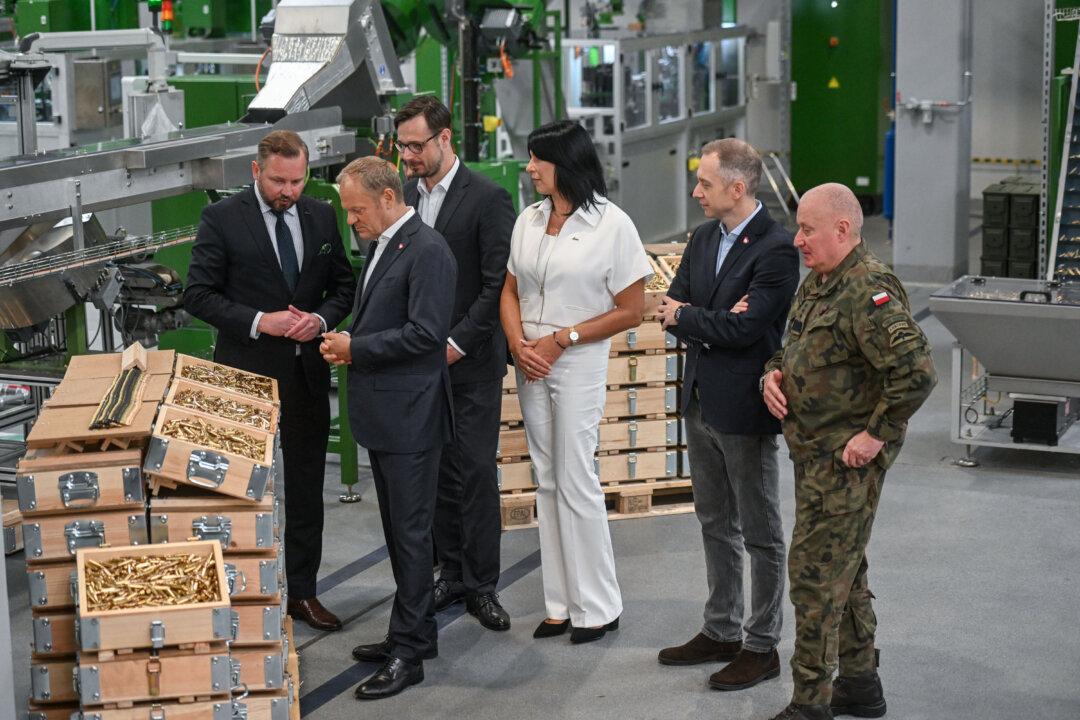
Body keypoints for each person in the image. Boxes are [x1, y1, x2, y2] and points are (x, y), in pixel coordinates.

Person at [760, 183, 936, 720]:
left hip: (845, 462)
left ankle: (810, 703)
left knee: (813, 577)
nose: (797, 240)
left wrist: (875, 434)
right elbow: (794, 347)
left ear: (842, 229)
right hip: (812, 455)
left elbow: (917, 373)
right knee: (846, 569)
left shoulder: (869, 290)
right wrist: (771, 374)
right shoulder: (819, 284)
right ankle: (860, 685)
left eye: (808, 229)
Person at [185, 129, 355, 632]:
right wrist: (262, 320)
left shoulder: (321, 215)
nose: (288, 191)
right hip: (246, 379)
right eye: (279, 181)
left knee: (305, 489)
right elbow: (198, 294)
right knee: (240, 488)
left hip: (306, 376)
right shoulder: (222, 218)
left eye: (297, 181)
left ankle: (302, 592)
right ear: (255, 172)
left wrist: (321, 320)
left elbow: (344, 287)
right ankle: (240, 593)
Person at [499, 120, 653, 644]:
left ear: (564, 162)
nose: (529, 168)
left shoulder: (613, 225)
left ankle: (599, 607)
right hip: (530, 360)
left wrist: (562, 338)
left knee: (576, 477)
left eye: (537, 159)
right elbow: (509, 291)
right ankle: (560, 603)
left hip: (577, 358)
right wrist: (520, 345)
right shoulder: (529, 219)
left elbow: (632, 310)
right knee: (546, 478)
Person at [655, 139, 799, 690]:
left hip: (744, 406)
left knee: (759, 532)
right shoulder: (703, 238)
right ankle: (721, 630)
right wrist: (703, 314)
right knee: (714, 522)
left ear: (737, 189)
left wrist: (693, 315)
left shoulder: (777, 250)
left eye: (705, 184)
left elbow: (744, 329)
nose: (696, 192)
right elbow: (672, 304)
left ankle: (761, 646)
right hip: (699, 399)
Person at [320, 156, 456, 700]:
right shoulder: (383, 246)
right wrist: (347, 338)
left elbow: (426, 334)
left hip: (412, 418)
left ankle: (409, 654)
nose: (351, 221)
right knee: (400, 534)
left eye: (356, 210)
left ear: (388, 198)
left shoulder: (428, 251)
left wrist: (358, 348)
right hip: (387, 416)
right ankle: (414, 634)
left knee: (414, 535)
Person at [395, 95, 516, 630]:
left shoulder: (488, 198)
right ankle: (450, 569)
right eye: (401, 147)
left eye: (416, 146)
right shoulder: (401, 195)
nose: (408, 157)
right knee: (436, 472)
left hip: (470, 364)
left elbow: (498, 285)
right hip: (418, 363)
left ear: (445, 139)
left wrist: (459, 341)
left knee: (473, 472)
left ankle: (483, 584)